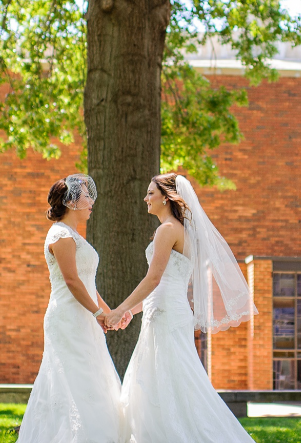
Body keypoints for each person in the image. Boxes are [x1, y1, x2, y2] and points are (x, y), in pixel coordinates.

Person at [106, 172, 257, 442]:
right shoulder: (180, 230)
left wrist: (119, 308)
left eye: (151, 193)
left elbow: (153, 278)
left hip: (165, 315)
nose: (145, 198)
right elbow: (165, 285)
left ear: (166, 197)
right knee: (172, 379)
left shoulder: (167, 230)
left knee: (171, 377)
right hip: (167, 310)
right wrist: (132, 311)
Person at [17, 174, 129, 443]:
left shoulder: (74, 235)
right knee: (72, 379)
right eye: (87, 197)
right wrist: (98, 314)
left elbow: (87, 282)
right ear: (72, 202)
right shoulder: (60, 235)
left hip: (84, 315)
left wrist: (109, 311)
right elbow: (71, 280)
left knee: (92, 375)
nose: (92, 201)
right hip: (67, 318)